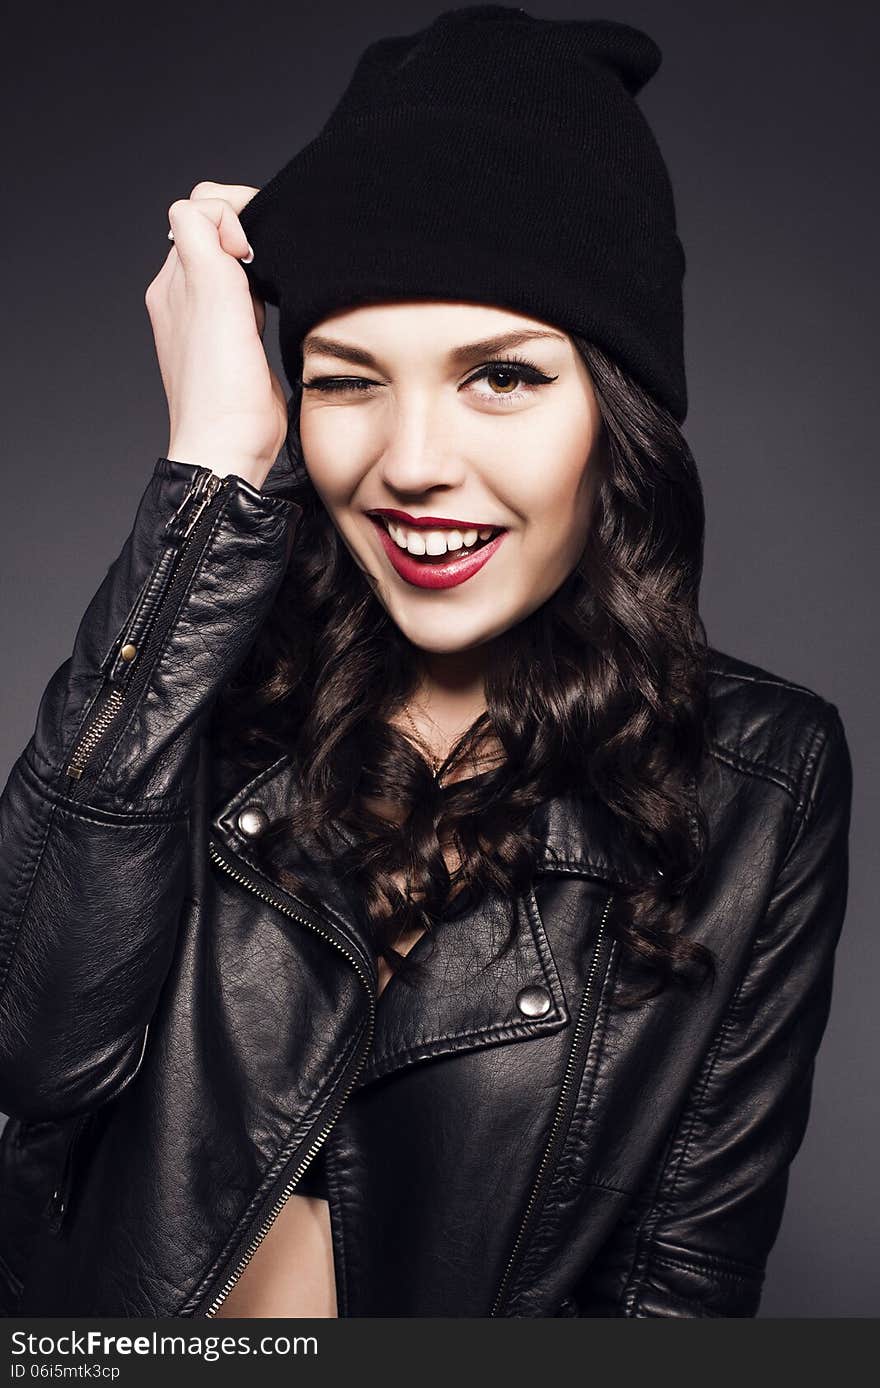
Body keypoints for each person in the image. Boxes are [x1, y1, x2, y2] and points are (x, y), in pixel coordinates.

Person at [0, 6, 852, 1319]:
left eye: (500, 376)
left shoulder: (762, 779)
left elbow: (682, 1282)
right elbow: (31, 1052)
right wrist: (211, 479)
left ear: (614, 415)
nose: (409, 464)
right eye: (346, 382)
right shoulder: (188, 670)